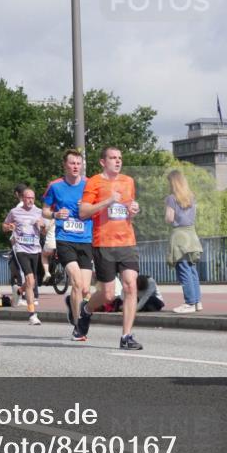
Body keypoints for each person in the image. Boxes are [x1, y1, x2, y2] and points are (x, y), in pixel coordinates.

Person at [77, 146, 144, 351]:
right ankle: (86, 309)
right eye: (113, 158)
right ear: (102, 162)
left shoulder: (128, 181)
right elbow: (83, 212)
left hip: (127, 241)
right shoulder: (94, 182)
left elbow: (127, 209)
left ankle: (126, 336)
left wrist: (134, 210)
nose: (117, 161)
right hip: (103, 243)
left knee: (130, 285)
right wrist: (108, 201)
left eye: (120, 158)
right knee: (107, 295)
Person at [42, 150, 95, 340]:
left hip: (86, 239)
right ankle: (77, 326)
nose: (75, 167)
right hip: (65, 239)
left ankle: (72, 306)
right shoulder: (55, 186)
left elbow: (97, 209)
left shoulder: (90, 185)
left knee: (86, 289)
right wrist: (56, 215)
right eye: (72, 163)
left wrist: (88, 207)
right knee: (77, 283)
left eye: (78, 163)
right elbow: (45, 211)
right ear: (65, 165)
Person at [3, 187, 47, 326]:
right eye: (28, 198)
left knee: (32, 281)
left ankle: (19, 290)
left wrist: (42, 226)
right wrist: (8, 226)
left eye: (33, 198)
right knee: (29, 279)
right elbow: (4, 226)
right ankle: (32, 314)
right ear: (22, 198)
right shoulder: (14, 212)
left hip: (35, 249)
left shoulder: (39, 212)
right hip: (20, 248)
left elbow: (45, 232)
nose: (30, 200)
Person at [165, 169, 203, 314]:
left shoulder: (171, 198)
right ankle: (197, 301)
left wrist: (168, 217)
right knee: (192, 269)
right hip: (192, 234)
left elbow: (169, 218)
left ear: (173, 183)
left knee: (183, 270)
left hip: (179, 235)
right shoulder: (192, 197)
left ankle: (189, 302)